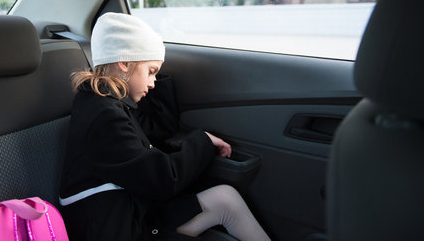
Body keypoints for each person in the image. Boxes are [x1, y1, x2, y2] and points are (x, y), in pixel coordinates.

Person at [58, 12, 270, 241]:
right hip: (121, 230)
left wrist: (202, 137)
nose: (153, 83)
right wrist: (204, 143)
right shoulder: (104, 117)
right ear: (124, 63)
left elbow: (159, 128)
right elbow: (162, 179)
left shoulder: (106, 103)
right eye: (151, 72)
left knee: (225, 198)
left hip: (135, 216)